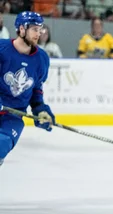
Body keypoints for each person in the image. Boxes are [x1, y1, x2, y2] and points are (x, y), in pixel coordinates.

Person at [0, 11, 55, 168]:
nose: (38, 33)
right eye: (34, 29)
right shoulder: (2, 49)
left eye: (40, 29)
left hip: (13, 116)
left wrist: (41, 110)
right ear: (22, 29)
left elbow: (36, 90)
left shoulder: (42, 59)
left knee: (2, 143)